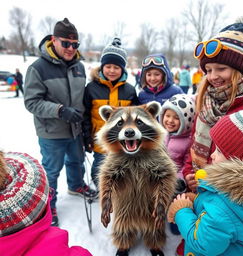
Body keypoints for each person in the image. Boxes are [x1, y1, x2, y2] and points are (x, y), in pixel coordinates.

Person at [178, 22, 243, 256]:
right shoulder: (206, 102)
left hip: (235, 207)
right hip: (205, 194)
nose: (212, 77)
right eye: (208, 69)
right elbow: (194, 144)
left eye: (221, 69)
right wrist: (190, 175)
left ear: (240, 68)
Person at [24, 18, 97, 227]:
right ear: (54, 40)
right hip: (51, 132)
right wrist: (59, 110)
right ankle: (49, 205)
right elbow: (31, 102)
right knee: (51, 171)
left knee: (76, 160)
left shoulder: (79, 67)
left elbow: (81, 99)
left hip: (74, 130)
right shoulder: (37, 68)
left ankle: (76, 185)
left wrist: (84, 124)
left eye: (75, 45)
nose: (70, 48)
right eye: (66, 43)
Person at [167, 96, 243, 256]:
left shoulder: (222, 208)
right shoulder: (233, 193)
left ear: (240, 162)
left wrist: (182, 211)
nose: (212, 156)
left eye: (220, 151)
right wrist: (197, 201)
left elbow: (201, 242)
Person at [0, 151, 92, 256]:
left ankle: (75, 186)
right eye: (48, 193)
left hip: (72, 136)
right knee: (52, 170)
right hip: (52, 138)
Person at [83, 37, 139, 191]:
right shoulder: (91, 88)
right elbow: (86, 115)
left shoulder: (129, 90)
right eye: (108, 66)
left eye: (116, 67)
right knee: (99, 167)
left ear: (122, 69)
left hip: (122, 142)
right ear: (102, 67)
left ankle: (118, 190)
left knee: (121, 167)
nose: (112, 71)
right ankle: (102, 189)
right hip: (100, 140)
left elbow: (135, 117)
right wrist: (87, 136)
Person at [159, 93, 195, 235]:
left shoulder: (188, 140)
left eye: (176, 117)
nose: (170, 121)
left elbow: (186, 164)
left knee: (174, 205)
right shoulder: (162, 133)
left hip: (176, 181)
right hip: (158, 176)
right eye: (167, 116)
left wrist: (178, 181)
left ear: (186, 121)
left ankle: (175, 220)